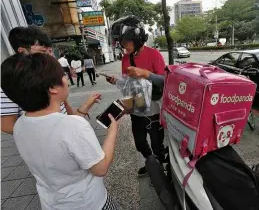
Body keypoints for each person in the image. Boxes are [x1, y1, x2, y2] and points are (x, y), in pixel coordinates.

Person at [1, 53, 120, 210]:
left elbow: (56, 131)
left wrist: (84, 107)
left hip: (52, 204)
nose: (67, 78)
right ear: (52, 88)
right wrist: (112, 131)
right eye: (63, 75)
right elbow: (101, 168)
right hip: (89, 204)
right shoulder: (73, 126)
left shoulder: (19, 125)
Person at [1, 26, 99, 134]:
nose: (50, 56)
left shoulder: (50, 75)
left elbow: (67, 113)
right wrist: (50, 134)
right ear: (22, 52)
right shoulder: (11, 83)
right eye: (43, 51)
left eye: (50, 51)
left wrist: (84, 108)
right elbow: (7, 125)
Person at [108, 16, 166, 177]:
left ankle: (160, 166)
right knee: (140, 143)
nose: (122, 46)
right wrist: (117, 81)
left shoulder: (153, 54)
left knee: (157, 143)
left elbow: (164, 81)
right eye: (120, 42)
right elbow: (129, 83)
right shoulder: (126, 58)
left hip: (154, 107)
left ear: (137, 38)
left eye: (125, 41)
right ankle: (150, 161)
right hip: (137, 106)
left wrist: (146, 74)